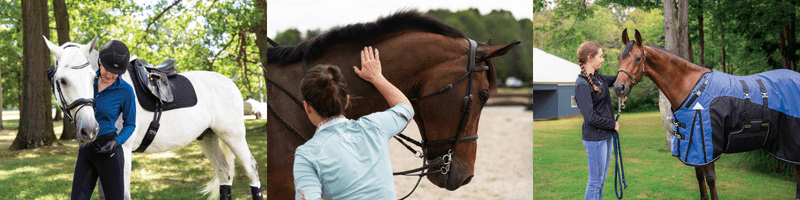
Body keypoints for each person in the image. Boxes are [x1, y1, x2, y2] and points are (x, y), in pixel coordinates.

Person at [293, 46, 414, 200]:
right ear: (346, 101)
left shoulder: (307, 154)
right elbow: (406, 109)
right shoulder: (375, 125)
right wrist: (376, 77)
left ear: (307, 107)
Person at [71, 40, 136, 200]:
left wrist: (117, 141)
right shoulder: (87, 82)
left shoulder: (126, 91)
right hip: (86, 148)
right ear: (100, 62)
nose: (111, 75)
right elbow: (70, 106)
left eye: (117, 73)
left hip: (110, 151)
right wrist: (54, 84)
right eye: (107, 70)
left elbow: (130, 124)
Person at [574, 41, 620, 200]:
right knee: (595, 182)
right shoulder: (582, 84)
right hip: (595, 139)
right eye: (600, 56)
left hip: (606, 137)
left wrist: (634, 68)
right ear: (589, 58)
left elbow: (618, 79)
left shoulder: (599, 78)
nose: (603, 59)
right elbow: (590, 117)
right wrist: (612, 124)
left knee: (601, 182)